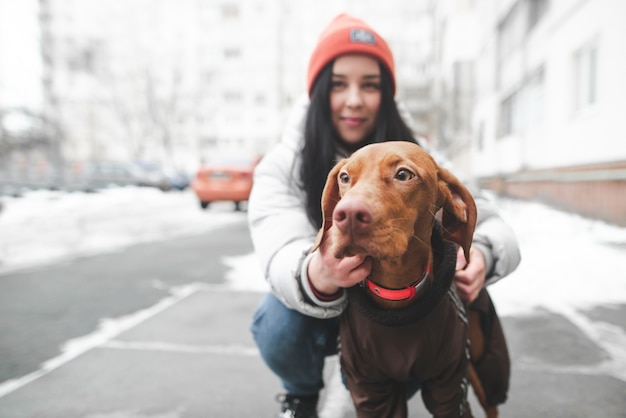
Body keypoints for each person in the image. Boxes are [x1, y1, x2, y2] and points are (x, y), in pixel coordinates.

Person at [248, 13, 521, 418]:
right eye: (339, 84)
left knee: (431, 335)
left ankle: (375, 384)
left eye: (370, 85)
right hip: (325, 310)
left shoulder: (420, 156)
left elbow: (489, 220)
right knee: (276, 321)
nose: (354, 98)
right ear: (319, 91)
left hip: (403, 311)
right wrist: (315, 274)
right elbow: (278, 251)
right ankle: (302, 395)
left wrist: (480, 251)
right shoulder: (282, 165)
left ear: (387, 95)